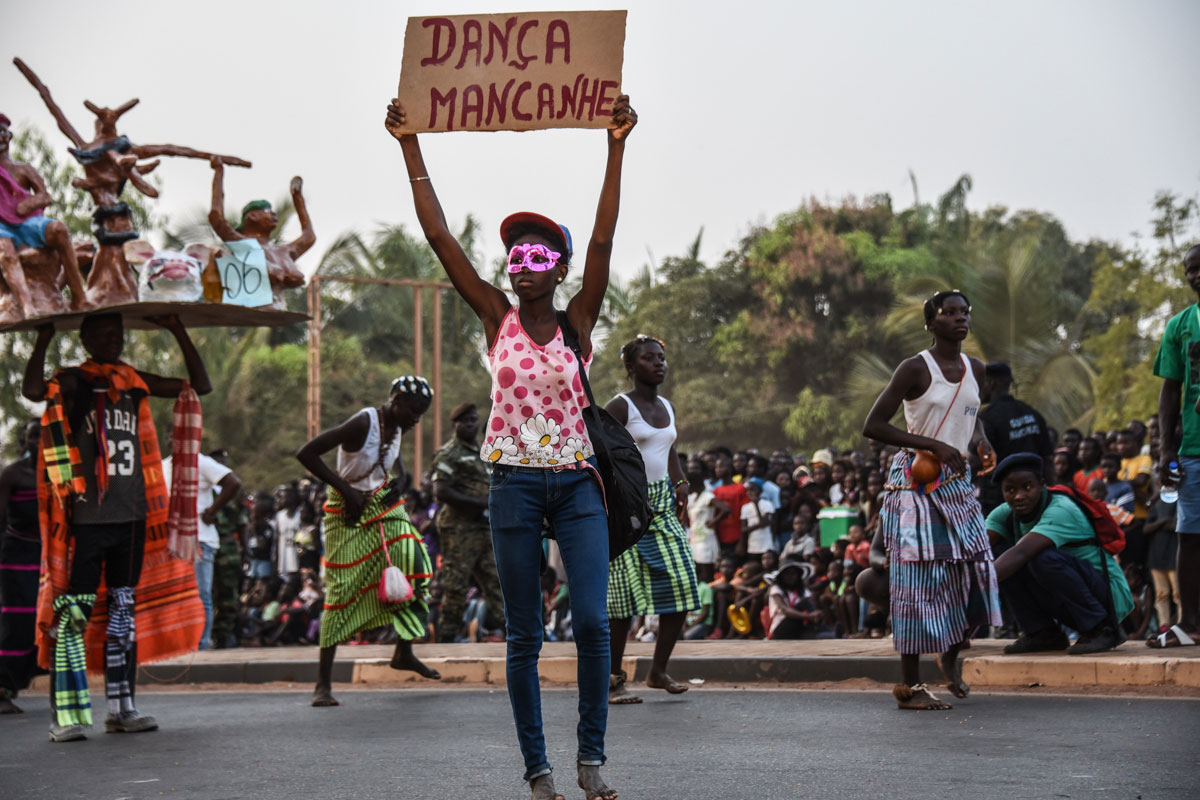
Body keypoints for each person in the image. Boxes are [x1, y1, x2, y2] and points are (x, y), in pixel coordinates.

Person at [387, 90, 636, 800]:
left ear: (557, 270)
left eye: (538, 254)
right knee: (523, 634)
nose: (522, 263)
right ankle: (539, 771)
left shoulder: (579, 322)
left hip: (578, 484)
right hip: (514, 487)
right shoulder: (495, 316)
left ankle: (592, 760)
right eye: (515, 254)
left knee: (591, 619)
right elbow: (440, 240)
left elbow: (602, 241)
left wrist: (616, 143)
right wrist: (410, 144)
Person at [23, 313, 211, 742]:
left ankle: (122, 708)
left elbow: (197, 387)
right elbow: (34, 391)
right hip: (86, 520)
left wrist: (178, 328)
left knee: (123, 613)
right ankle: (66, 714)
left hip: (131, 517)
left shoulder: (133, 381)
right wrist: (44, 338)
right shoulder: (74, 381)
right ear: (86, 337)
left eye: (118, 334)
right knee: (75, 615)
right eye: (104, 334)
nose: (113, 340)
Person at [861, 289, 1001, 711]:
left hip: (957, 484)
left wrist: (981, 441)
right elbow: (874, 425)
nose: (960, 319)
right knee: (915, 582)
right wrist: (934, 445)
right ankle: (909, 686)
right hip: (916, 482)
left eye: (965, 312)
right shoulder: (914, 369)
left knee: (976, 571)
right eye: (949, 312)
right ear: (931, 322)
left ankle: (950, 653)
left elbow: (968, 417)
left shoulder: (974, 368)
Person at [296, 376, 441, 706]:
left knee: (414, 560)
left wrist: (397, 485)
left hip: (383, 508)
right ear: (395, 400)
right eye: (413, 412)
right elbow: (306, 453)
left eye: (422, 414)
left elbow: (397, 472)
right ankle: (323, 684)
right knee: (342, 588)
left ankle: (404, 651)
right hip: (346, 511)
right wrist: (347, 492)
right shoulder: (364, 422)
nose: (416, 420)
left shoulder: (399, 428)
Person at [605, 334, 702, 704]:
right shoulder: (620, 407)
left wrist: (681, 483)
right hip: (626, 509)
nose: (659, 363)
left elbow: (670, 448)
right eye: (648, 358)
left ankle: (657, 670)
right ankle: (613, 678)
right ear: (631, 367)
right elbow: (600, 451)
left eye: (661, 357)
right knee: (622, 600)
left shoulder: (667, 406)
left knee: (682, 584)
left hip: (662, 507)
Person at [986, 453, 1133, 654]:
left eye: (1027, 487)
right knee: (996, 556)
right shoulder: (1004, 513)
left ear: (1042, 484)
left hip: (1107, 597)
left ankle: (1102, 630)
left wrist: (968, 585)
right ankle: (1043, 633)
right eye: (1010, 490)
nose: (1019, 496)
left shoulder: (1061, 509)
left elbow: (1022, 552)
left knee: (1038, 558)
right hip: (1070, 596)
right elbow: (977, 551)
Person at [1152, 243, 1200, 648]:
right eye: (1190, 270)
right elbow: (1170, 391)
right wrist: (1166, 449)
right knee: (1190, 534)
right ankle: (1190, 623)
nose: (1196, 275)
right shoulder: (1180, 325)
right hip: (1193, 448)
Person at [0, 113, 88, 322]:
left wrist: (25, 205)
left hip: (28, 222)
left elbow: (44, 195)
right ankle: (26, 305)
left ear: (9, 137)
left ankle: (79, 296)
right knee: (5, 251)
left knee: (59, 230)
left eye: (3, 133)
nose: (1, 138)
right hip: (3, 226)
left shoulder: (23, 169)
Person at [431, 402, 504, 643]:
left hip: (483, 528)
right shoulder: (450, 453)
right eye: (466, 421)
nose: (472, 425)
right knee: (456, 585)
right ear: (456, 424)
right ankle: (446, 638)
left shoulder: (482, 451)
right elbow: (441, 491)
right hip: (459, 529)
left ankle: (516, 634)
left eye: (474, 420)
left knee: (497, 581)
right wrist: (480, 502)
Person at [163, 446, 241, 651]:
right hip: (173, 541)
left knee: (201, 594)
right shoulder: (163, 466)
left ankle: (201, 644)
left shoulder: (200, 462)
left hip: (202, 539)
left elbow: (233, 483)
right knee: (176, 596)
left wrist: (211, 511)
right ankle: (180, 643)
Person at [0, 420, 42, 713]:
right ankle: (3, 688)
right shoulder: (12, 474)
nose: (39, 441)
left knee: (43, 623)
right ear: (24, 442)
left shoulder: (60, 474)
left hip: (48, 559)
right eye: (33, 436)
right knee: (16, 624)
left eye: (45, 435)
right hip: (16, 559)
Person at [977, 362, 1053, 514]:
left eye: (980, 382)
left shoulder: (986, 418)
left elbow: (981, 462)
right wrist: (1051, 493)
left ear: (991, 382)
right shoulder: (1031, 413)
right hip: (1035, 497)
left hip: (1001, 501)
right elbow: (1047, 459)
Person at [710, 456, 749, 562]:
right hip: (720, 537)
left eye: (721, 467)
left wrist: (742, 541)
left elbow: (745, 516)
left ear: (730, 468)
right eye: (716, 467)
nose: (718, 469)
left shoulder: (740, 489)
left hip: (737, 537)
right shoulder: (715, 491)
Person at [274, 483, 302, 588]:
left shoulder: (301, 514)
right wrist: (276, 563)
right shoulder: (279, 516)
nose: (282, 499)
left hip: (297, 559)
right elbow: (277, 540)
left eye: (285, 496)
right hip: (284, 560)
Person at [740, 481, 774, 561]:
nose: (750, 493)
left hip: (766, 545)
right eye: (748, 490)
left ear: (760, 491)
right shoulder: (745, 507)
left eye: (752, 490)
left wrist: (756, 505)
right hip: (753, 547)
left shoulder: (767, 504)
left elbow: (763, 524)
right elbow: (743, 529)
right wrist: (759, 524)